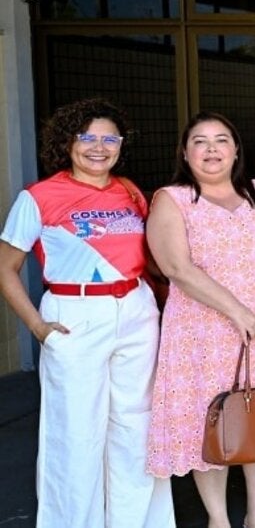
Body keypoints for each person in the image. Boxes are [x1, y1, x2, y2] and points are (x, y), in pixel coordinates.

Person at [0, 98, 174, 528]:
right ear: (67, 142)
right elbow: (6, 268)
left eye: (109, 138)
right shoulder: (39, 197)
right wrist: (37, 327)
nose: (99, 147)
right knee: (75, 434)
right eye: (87, 137)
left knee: (136, 427)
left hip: (135, 308)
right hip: (74, 312)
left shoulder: (131, 192)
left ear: (120, 144)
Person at [146, 112, 255, 528]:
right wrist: (236, 311)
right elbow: (176, 267)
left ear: (236, 150)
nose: (211, 149)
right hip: (201, 330)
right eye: (200, 141)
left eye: (221, 140)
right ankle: (218, 519)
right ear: (185, 151)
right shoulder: (172, 198)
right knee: (210, 423)